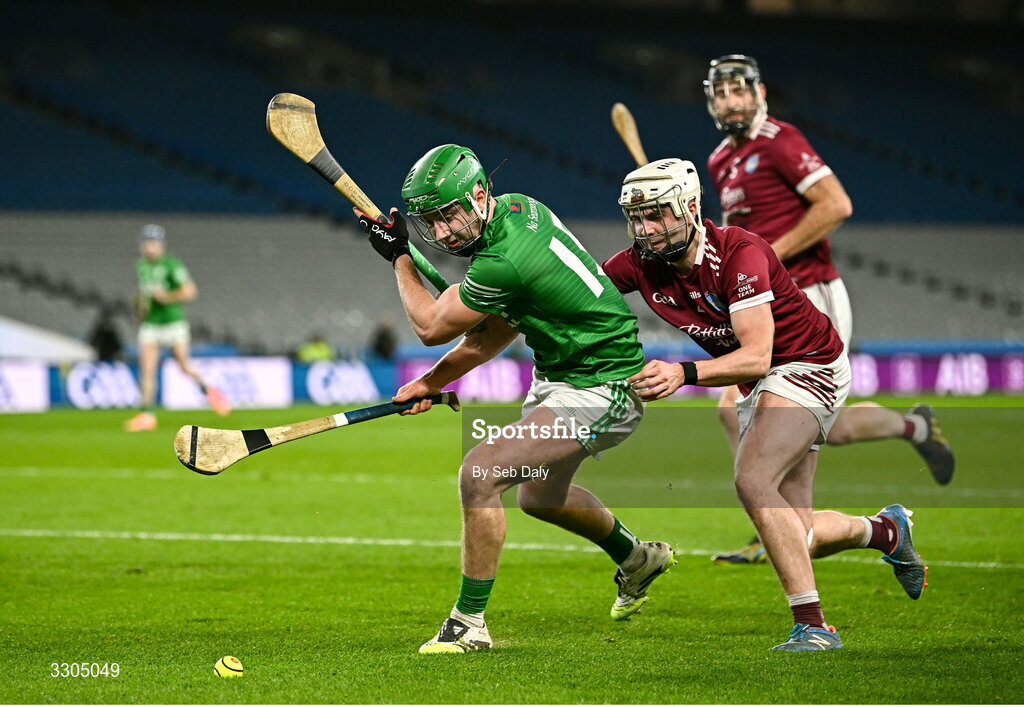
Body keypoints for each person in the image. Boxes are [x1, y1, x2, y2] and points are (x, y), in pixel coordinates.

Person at [354, 144, 674, 654]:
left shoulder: (504, 258)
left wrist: (398, 257)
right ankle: (637, 558)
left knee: (480, 474)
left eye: (449, 216)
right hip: (563, 376)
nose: (441, 234)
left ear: (480, 195)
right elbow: (490, 335)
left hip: (606, 384)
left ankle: (469, 623)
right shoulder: (519, 210)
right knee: (540, 498)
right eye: (429, 223)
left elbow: (431, 325)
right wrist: (433, 383)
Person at [604, 158, 927, 651]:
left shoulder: (740, 252)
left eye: (658, 215)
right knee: (799, 537)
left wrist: (682, 372)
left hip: (808, 364)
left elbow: (756, 356)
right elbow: (580, 291)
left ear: (690, 208)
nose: (646, 229)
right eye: (638, 218)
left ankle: (814, 626)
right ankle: (885, 531)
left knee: (751, 478)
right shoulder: (640, 262)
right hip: (767, 380)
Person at [703, 55, 954, 564]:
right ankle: (776, 514)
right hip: (767, 305)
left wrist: (769, 254)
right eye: (721, 93)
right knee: (747, 411)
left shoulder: (781, 139)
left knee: (809, 422)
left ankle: (783, 520)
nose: (731, 101)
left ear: (759, 93)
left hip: (812, 297)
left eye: (739, 91)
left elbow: (835, 204)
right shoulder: (719, 161)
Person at [124, 224, 229, 431]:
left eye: (154, 242)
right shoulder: (141, 266)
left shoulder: (171, 265)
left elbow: (190, 291)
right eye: (147, 242)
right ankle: (146, 415)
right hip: (151, 323)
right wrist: (140, 308)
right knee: (147, 370)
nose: (150, 247)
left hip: (173, 322)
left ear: (161, 244)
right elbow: (143, 293)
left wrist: (166, 298)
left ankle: (210, 390)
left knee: (183, 365)